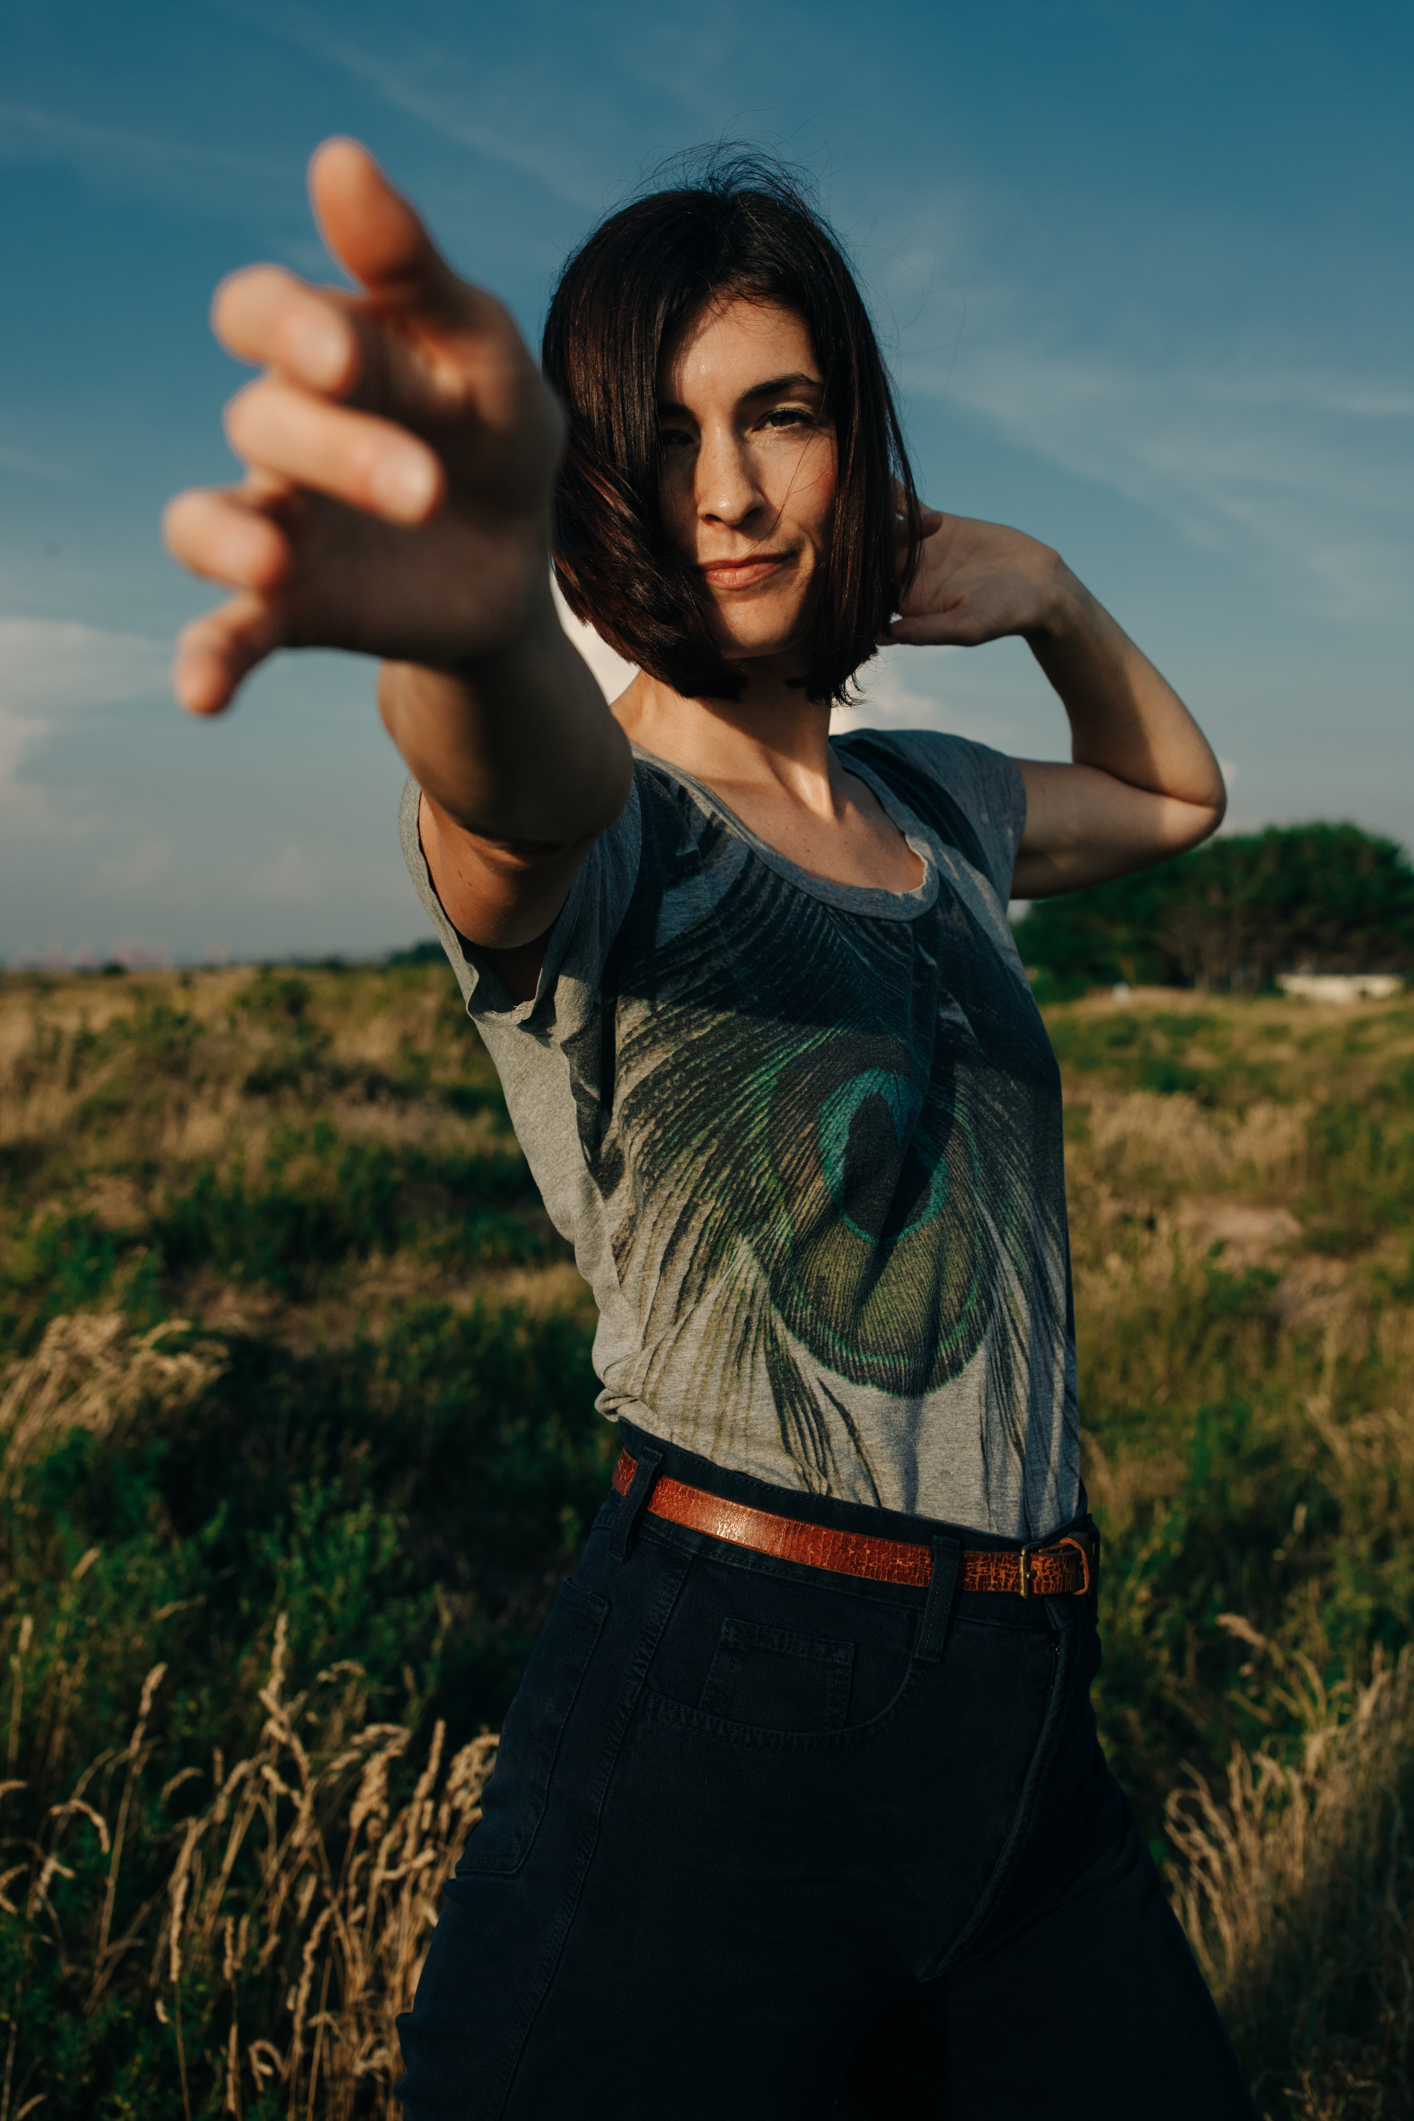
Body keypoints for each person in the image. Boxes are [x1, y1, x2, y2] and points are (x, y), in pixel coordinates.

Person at [164, 139, 1255, 2120]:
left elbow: (1175, 797)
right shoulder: (618, 824)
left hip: (1025, 1713)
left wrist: (1048, 594)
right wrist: (471, 630)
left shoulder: (933, 804)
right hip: (728, 1693)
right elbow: (503, 782)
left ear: (858, 443)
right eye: (662, 437)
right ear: (589, 483)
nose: (730, 491)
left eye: (782, 413)